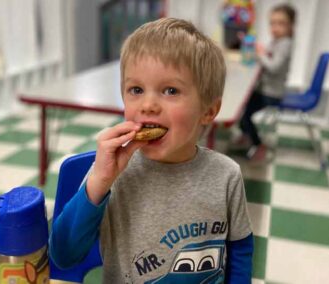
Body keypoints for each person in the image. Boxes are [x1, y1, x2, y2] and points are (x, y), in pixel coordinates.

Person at [49, 18, 253, 284]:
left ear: (209, 111)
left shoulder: (227, 176)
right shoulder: (112, 175)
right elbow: (63, 256)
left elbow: (240, 250)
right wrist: (98, 183)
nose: (148, 105)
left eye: (170, 90)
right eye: (136, 90)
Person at [236, 4, 296, 162]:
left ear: (291, 26)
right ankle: (245, 133)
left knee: (245, 114)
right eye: (272, 23)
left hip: (272, 93)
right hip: (265, 89)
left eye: (281, 23)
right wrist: (262, 51)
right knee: (242, 106)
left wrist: (260, 53)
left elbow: (274, 66)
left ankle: (258, 144)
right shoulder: (277, 41)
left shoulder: (286, 43)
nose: (275, 27)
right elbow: (267, 56)